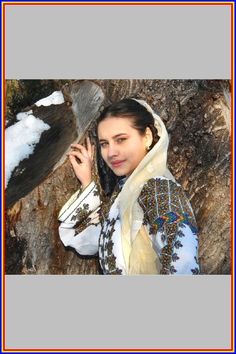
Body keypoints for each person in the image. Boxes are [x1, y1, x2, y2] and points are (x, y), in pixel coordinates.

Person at [58, 98, 200, 275]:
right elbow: (95, 239)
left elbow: (183, 261)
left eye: (121, 139)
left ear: (146, 137)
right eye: (104, 144)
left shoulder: (157, 188)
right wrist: (87, 183)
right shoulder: (126, 193)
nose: (111, 153)